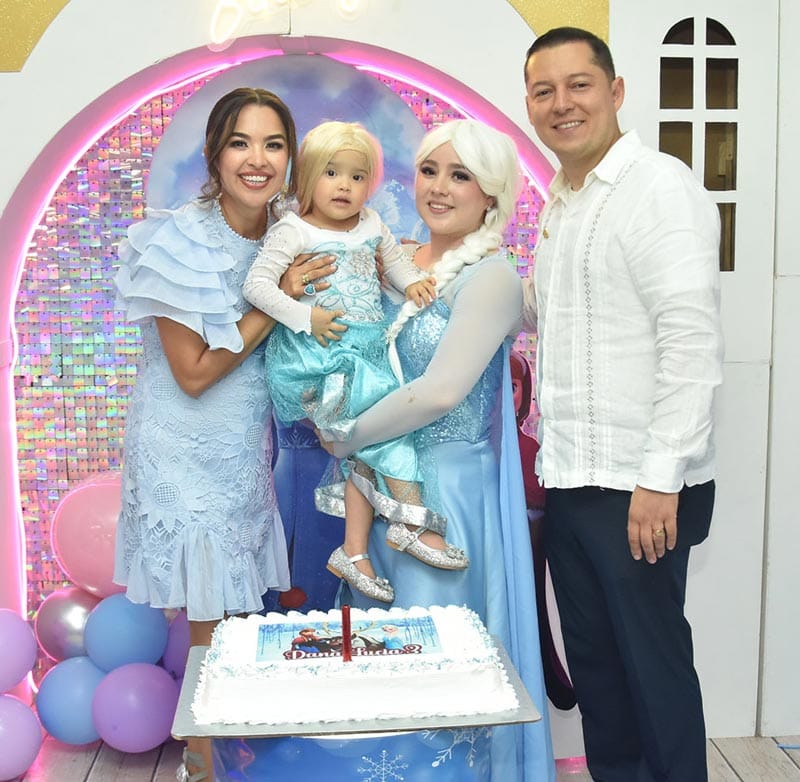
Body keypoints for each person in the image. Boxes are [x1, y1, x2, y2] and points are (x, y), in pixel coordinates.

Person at [320, 119, 555, 781]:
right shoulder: (394, 262)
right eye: (430, 171)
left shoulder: (492, 277)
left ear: (491, 195)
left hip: (446, 501)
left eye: (461, 176)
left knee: (435, 665)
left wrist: (347, 432)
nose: (440, 188)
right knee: (379, 668)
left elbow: (441, 391)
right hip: (379, 491)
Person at [113, 87, 334, 782]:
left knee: (239, 613)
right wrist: (277, 301)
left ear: (290, 158)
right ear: (214, 154)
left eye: (273, 144)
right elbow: (195, 373)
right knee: (211, 615)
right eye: (240, 142)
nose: (257, 159)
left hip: (243, 446)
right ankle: (202, 764)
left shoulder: (287, 235)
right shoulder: (179, 240)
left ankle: (225, 751)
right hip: (183, 444)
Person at [523, 27, 724, 781]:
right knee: (600, 679)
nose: (561, 104)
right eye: (544, 91)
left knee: (654, 675)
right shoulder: (562, 201)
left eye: (578, 85)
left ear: (614, 92)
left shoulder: (657, 187)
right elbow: (547, 317)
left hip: (641, 487)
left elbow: (690, 341)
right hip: (573, 476)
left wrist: (660, 477)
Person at [243, 120, 469, 604]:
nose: (344, 186)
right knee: (386, 433)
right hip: (317, 356)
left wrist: (411, 282)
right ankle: (411, 520)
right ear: (307, 178)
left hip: (363, 351)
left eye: (357, 176)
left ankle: (355, 550)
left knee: (365, 446)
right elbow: (256, 286)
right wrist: (306, 316)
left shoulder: (371, 224)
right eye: (331, 173)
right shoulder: (293, 230)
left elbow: (395, 262)